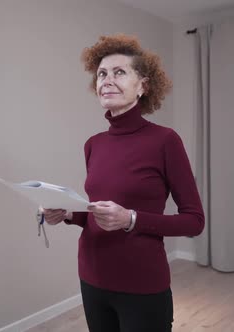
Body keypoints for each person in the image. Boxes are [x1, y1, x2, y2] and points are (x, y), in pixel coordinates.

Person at [43, 34, 204, 332]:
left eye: (119, 72)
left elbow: (194, 221)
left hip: (141, 282)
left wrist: (130, 219)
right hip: (92, 277)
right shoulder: (93, 144)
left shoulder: (165, 140)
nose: (106, 79)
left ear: (143, 85)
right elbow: (99, 211)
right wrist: (67, 213)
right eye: (102, 73)